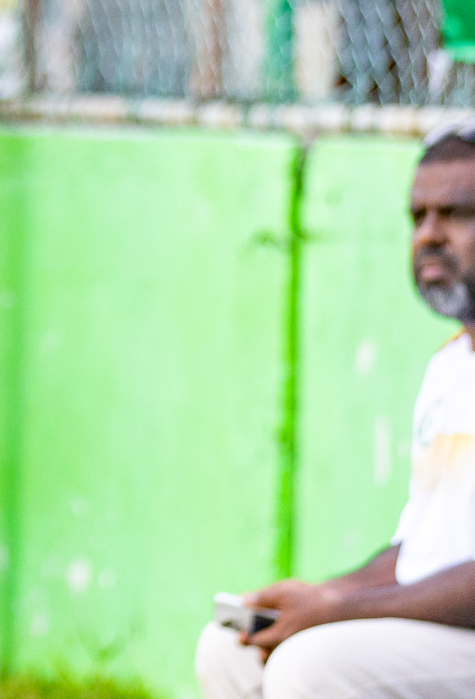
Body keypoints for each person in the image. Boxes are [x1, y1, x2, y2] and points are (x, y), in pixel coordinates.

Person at [196, 123, 475, 699]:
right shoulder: (450, 368)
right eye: (417, 217)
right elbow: (420, 550)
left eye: (456, 214)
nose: (428, 236)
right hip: (444, 629)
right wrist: (319, 595)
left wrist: (339, 612)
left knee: (312, 665)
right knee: (230, 648)